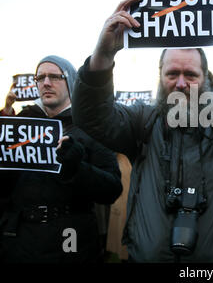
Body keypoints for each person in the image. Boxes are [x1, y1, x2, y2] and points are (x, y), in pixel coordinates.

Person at [71, 0, 213, 263]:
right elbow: (91, 116)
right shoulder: (142, 121)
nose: (181, 83)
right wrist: (103, 54)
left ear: (205, 78)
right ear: (160, 76)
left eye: (191, 75)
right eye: (172, 74)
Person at [0, 55, 122, 263]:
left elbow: (111, 189)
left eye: (55, 76)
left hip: (71, 239)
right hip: (20, 240)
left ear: (71, 81)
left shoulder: (91, 128)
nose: (46, 83)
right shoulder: (18, 126)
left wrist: (78, 168)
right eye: (40, 77)